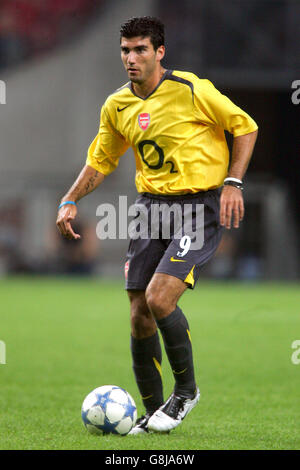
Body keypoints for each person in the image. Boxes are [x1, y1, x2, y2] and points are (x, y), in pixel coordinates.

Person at [56, 16, 258, 434]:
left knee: (160, 299)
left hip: (199, 206)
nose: (131, 58)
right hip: (151, 208)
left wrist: (233, 183)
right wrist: (70, 198)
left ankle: (185, 391)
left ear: (160, 52)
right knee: (138, 314)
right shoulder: (117, 105)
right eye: (126, 50)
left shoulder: (191, 89)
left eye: (141, 49)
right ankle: (150, 413)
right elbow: (102, 159)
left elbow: (245, 126)